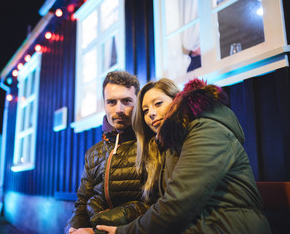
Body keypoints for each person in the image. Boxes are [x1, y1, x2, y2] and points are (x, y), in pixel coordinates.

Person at [97, 78, 271, 233]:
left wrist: (124, 232)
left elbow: (178, 203)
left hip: (229, 225)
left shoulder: (205, 129)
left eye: (158, 103)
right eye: (145, 110)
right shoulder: (168, 147)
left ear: (177, 100)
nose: (150, 113)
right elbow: (160, 205)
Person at [65, 71, 153, 234]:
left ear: (138, 102)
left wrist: (100, 228)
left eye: (127, 101)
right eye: (111, 102)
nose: (119, 109)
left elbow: (159, 204)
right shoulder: (93, 153)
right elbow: (82, 202)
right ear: (104, 105)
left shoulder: (152, 144)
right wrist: (73, 229)